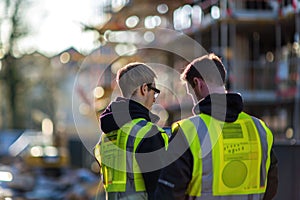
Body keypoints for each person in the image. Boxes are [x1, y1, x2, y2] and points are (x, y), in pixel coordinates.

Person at [155, 53, 278, 200]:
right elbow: (271, 186)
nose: (193, 100)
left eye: (191, 93)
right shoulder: (259, 129)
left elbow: (169, 194)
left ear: (198, 83)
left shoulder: (188, 131)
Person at [94, 62, 169, 200]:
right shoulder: (147, 133)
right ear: (144, 89)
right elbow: (159, 190)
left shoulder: (105, 137)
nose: (154, 99)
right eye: (155, 92)